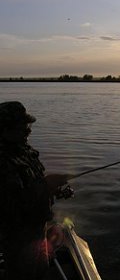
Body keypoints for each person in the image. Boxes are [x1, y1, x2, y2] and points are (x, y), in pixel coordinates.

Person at [0, 101, 70, 280]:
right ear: (5, 129)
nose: (28, 130)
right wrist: (45, 185)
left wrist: (52, 191)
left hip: (36, 230)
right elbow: (10, 205)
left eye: (28, 125)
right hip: (17, 238)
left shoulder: (24, 152)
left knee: (41, 271)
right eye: (22, 126)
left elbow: (30, 189)